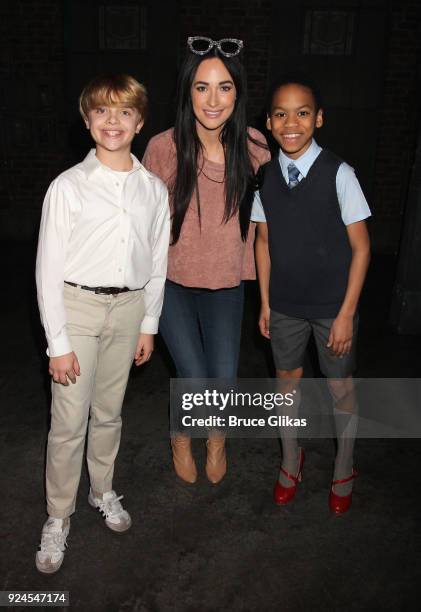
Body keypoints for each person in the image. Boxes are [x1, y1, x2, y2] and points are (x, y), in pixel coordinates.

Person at [35, 74, 170, 573]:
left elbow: (157, 261)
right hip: (78, 308)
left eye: (124, 112)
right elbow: (47, 268)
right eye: (102, 111)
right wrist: (58, 343)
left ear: (139, 122)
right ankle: (57, 516)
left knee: (109, 412)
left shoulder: (153, 190)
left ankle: (103, 489)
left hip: (130, 307)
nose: (112, 121)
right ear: (87, 119)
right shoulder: (68, 187)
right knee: (69, 420)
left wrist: (149, 323)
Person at [143, 36, 270, 484]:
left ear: (238, 91)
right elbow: (140, 223)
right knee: (194, 377)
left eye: (224, 87)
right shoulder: (163, 147)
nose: (213, 100)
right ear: (187, 92)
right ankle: (182, 435)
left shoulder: (254, 147)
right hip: (173, 283)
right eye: (201, 87)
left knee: (224, 381)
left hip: (227, 284)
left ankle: (216, 437)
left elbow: (271, 223)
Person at [252, 74, 371, 514]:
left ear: (318, 118)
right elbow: (263, 242)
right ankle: (290, 460)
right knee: (287, 387)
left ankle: (344, 465)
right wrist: (265, 301)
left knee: (340, 385)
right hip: (284, 304)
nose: (291, 123)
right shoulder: (264, 177)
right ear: (268, 122)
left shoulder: (340, 174)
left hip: (332, 308)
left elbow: (361, 249)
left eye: (302, 113)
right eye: (280, 114)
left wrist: (345, 315)